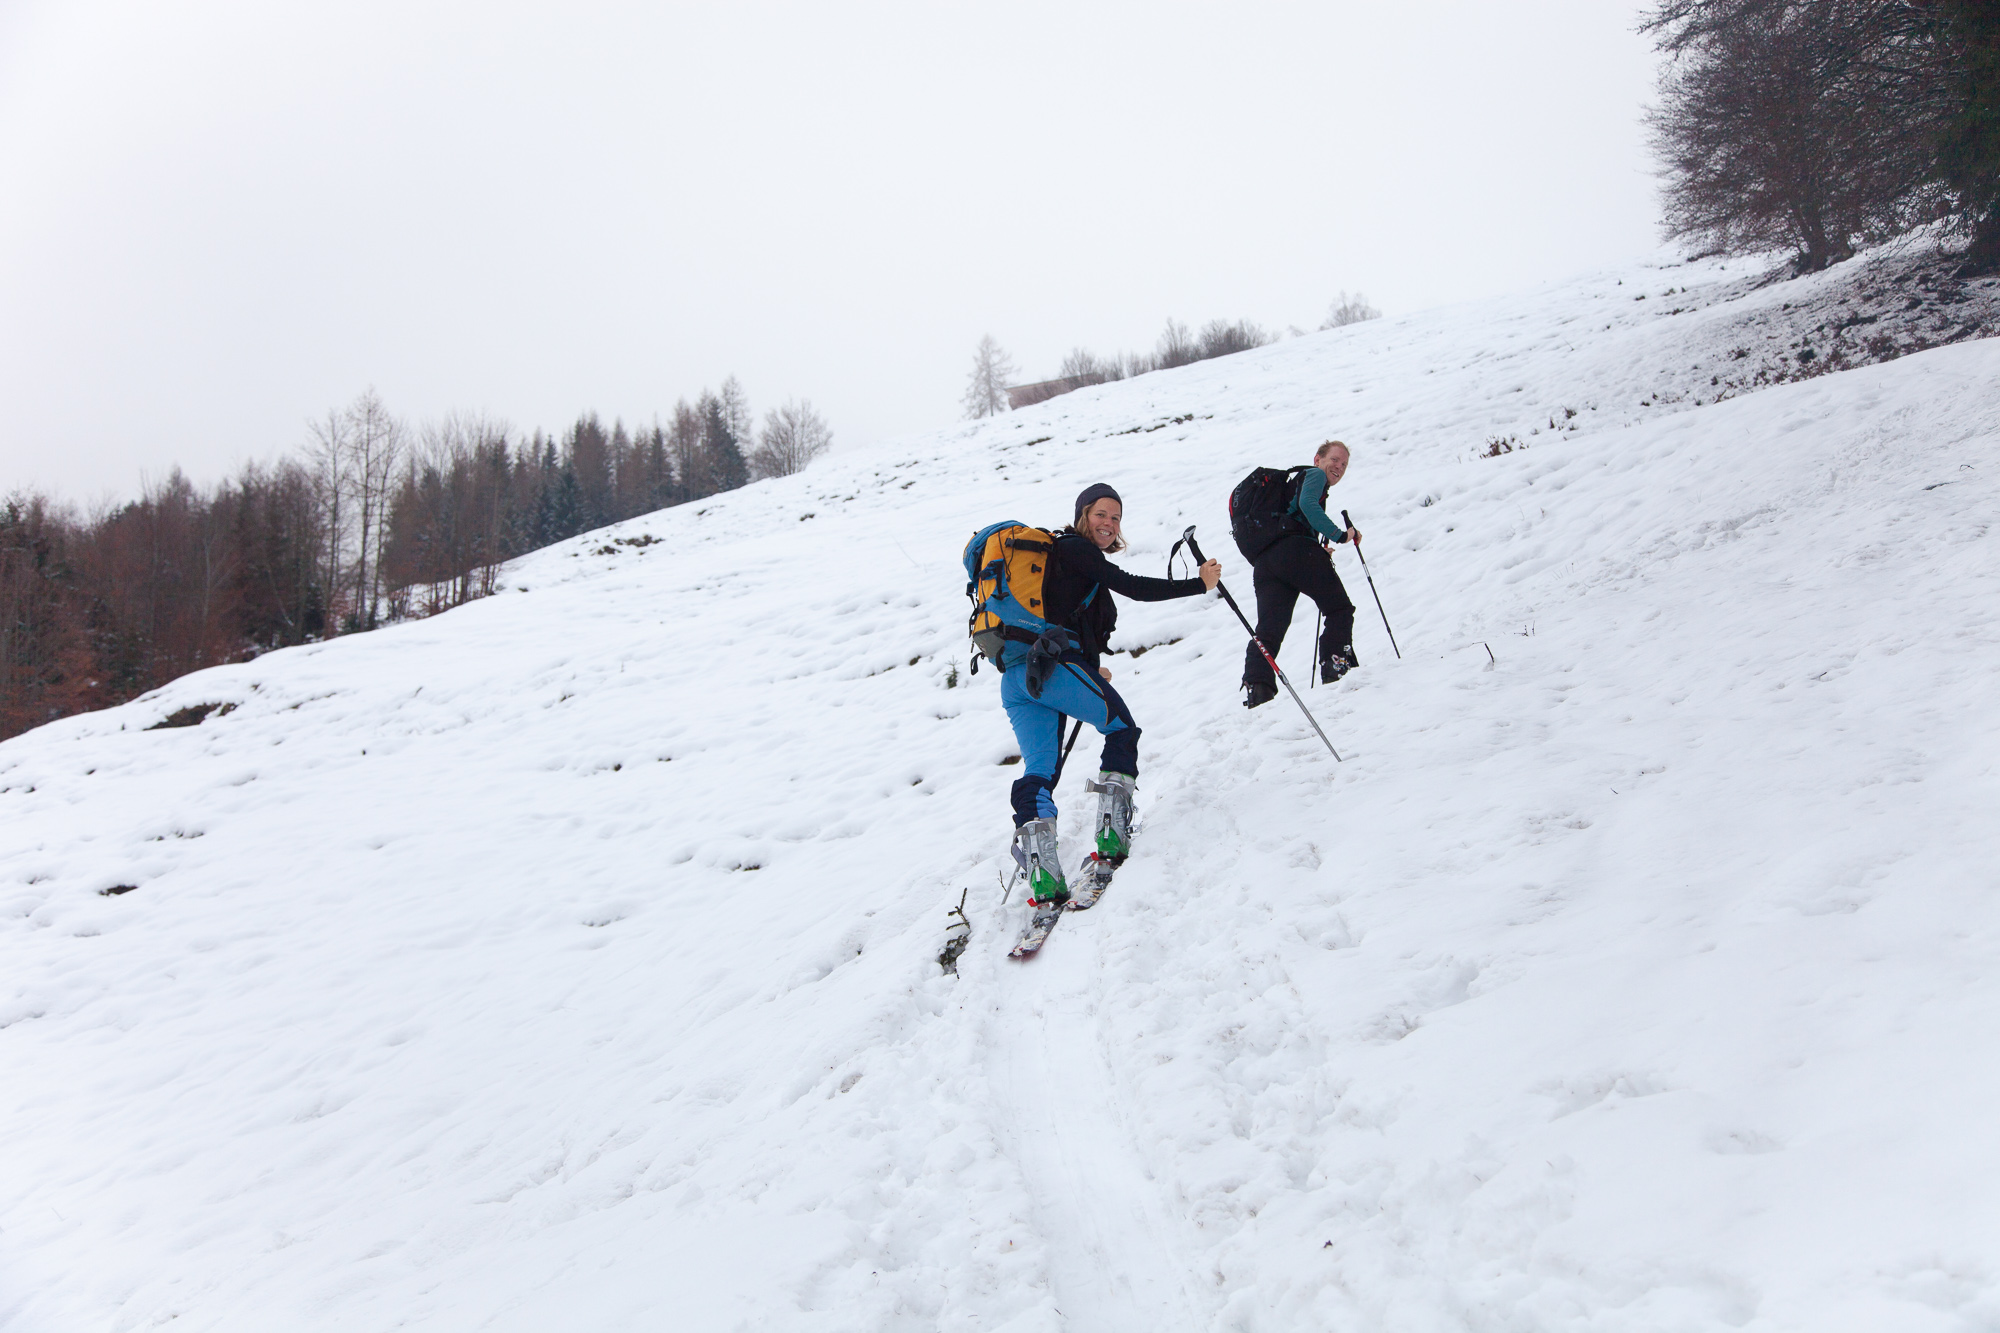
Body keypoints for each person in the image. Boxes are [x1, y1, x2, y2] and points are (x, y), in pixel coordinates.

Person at [1004, 483, 1220, 906]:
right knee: (1122, 729)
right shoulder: (1076, 549)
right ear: (1083, 513)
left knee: (1041, 771)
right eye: (1102, 513)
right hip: (1051, 670)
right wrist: (1199, 584)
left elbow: (1062, 613)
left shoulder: (1058, 559)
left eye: (1117, 517)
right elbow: (1133, 586)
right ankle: (1111, 835)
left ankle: (1043, 874)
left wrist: (1086, 662)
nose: (1109, 524)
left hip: (1018, 678)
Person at [1241, 440, 1362, 709]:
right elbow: (1308, 504)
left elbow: (1299, 516)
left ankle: (1258, 689)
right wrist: (1340, 535)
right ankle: (1336, 669)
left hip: (1266, 563)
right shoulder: (1315, 475)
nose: (1339, 467)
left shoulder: (1289, 488)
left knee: (1269, 630)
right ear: (1317, 459)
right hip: (1294, 552)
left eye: (1344, 464)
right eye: (1334, 460)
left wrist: (1316, 551)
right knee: (1340, 609)